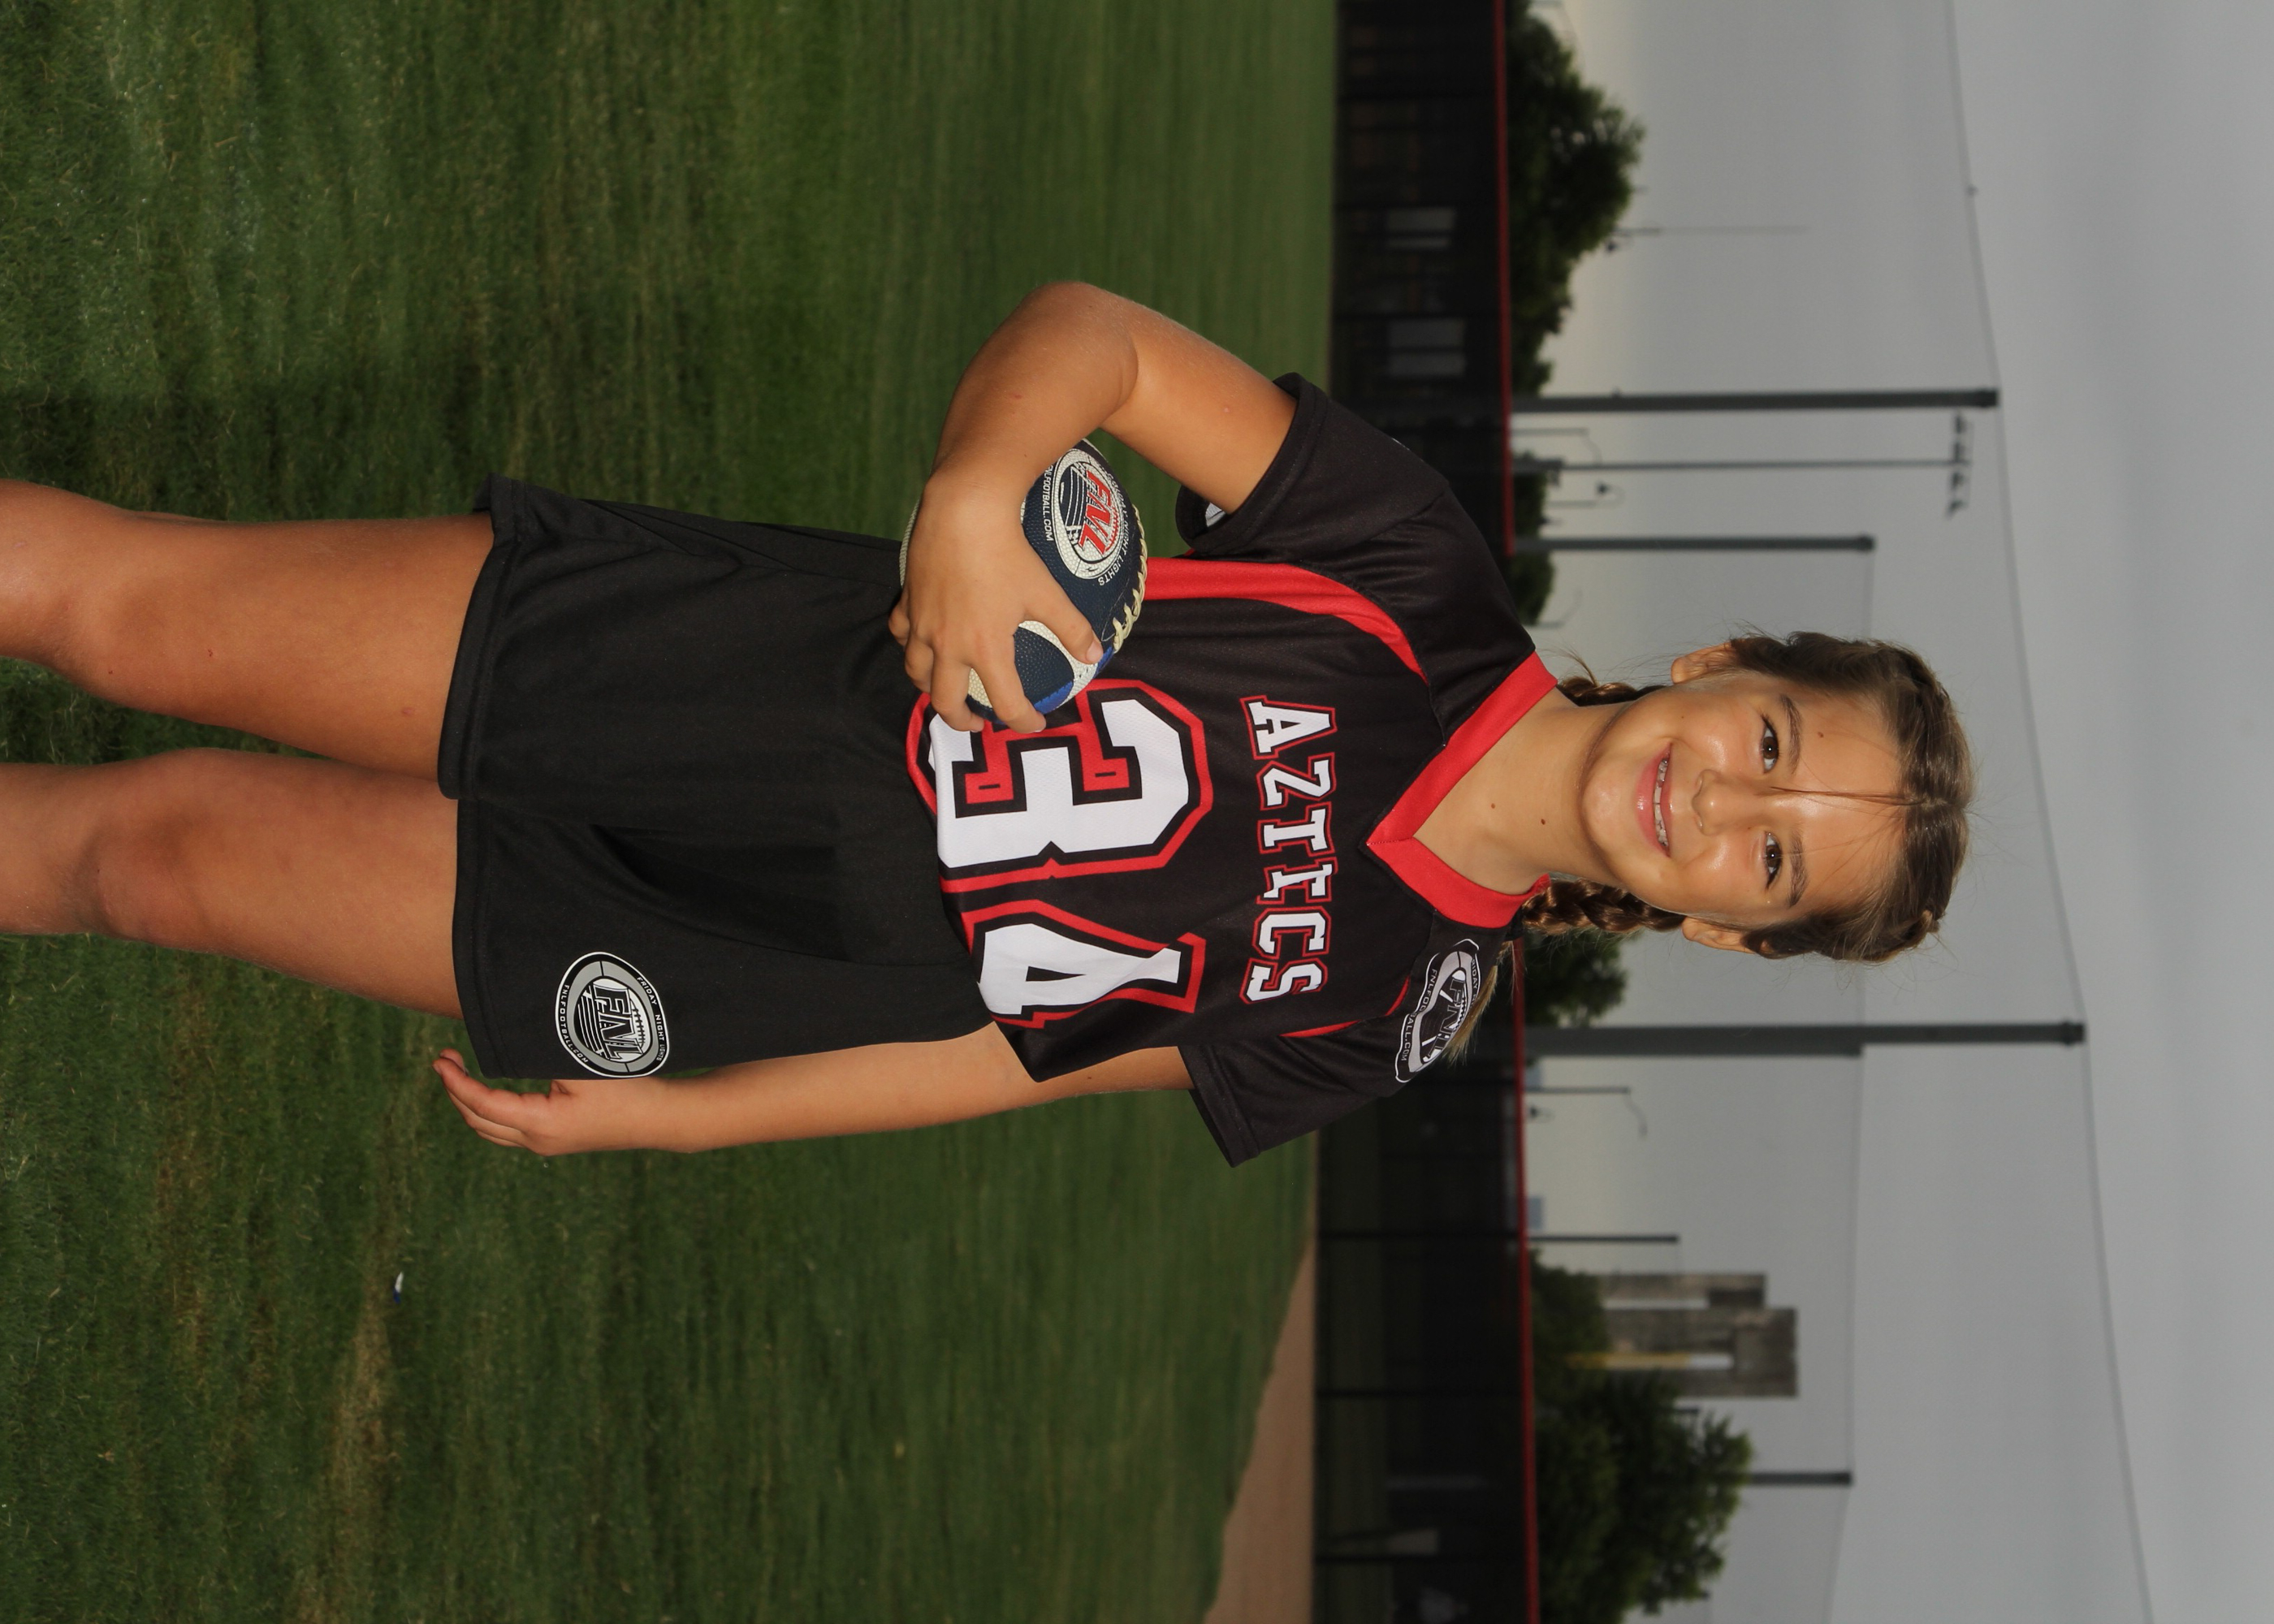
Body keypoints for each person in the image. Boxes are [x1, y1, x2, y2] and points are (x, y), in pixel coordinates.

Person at [0, 283, 1970, 1164]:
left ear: (1727, 928)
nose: (1723, 801)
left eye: (1771, 859)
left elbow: (1005, 1062)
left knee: (158, 865)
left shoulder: (1390, 1017)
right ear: (1726, 664)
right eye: (1773, 741)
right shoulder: (1410, 568)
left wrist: (688, 1115)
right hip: (762, 676)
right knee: (136, 614)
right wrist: (972, 492)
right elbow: (1093, 338)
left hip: (764, 955)